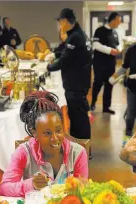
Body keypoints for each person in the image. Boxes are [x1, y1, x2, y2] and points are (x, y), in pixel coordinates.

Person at [0, 91, 88, 197]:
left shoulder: (77, 153)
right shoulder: (23, 152)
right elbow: (4, 189)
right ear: (34, 132)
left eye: (58, 130)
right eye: (47, 133)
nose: (55, 138)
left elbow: (83, 192)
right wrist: (31, 185)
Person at [47, 8, 92, 140]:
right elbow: (66, 51)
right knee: (77, 116)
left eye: (60, 22)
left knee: (79, 118)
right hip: (79, 82)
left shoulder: (75, 37)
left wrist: (48, 67)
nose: (60, 26)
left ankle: (83, 146)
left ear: (65, 21)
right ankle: (79, 143)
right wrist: (54, 54)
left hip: (76, 84)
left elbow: (65, 60)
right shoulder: (77, 34)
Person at [91, 12, 121, 114]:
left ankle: (106, 107)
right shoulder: (99, 30)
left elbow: (117, 45)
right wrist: (109, 50)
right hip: (99, 63)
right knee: (98, 83)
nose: (119, 23)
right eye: (118, 21)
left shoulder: (115, 32)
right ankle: (92, 103)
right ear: (112, 20)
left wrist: (118, 50)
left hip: (111, 63)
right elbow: (95, 45)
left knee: (109, 84)